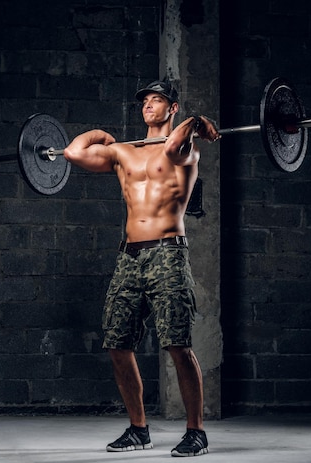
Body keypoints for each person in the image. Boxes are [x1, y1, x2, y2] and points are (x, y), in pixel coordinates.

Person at [63, 80, 220, 457]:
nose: (149, 105)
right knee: (117, 343)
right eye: (145, 101)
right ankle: (138, 429)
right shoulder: (124, 154)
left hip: (168, 253)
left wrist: (197, 122)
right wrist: (101, 135)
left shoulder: (186, 151)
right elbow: (72, 152)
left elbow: (171, 146)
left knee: (178, 345)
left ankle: (196, 432)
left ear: (173, 108)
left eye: (157, 100)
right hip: (129, 256)